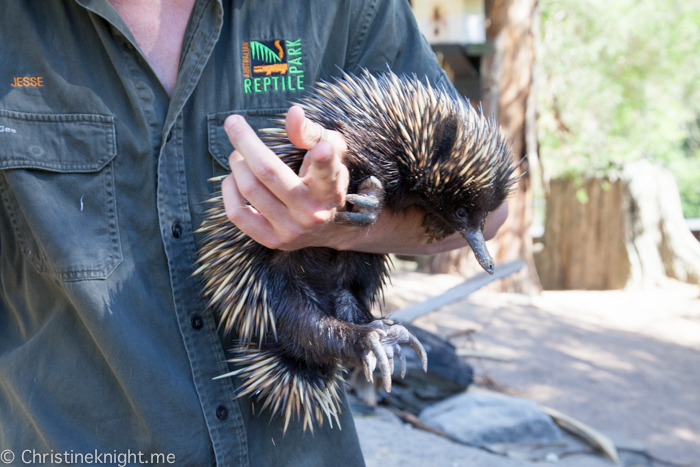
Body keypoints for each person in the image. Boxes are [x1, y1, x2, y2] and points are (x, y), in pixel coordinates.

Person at [0, 1, 506, 466]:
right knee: (295, 312)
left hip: (298, 443)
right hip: (73, 446)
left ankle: (351, 332)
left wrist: (344, 231)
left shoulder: (344, 10)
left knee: (340, 306)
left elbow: (489, 215)